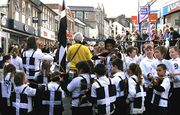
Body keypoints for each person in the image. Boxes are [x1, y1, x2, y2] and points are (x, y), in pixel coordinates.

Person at [168, 46, 180, 115]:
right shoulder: (168, 61)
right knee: (171, 104)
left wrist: (175, 76)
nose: (171, 54)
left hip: (178, 86)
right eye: (169, 52)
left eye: (172, 52)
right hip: (170, 85)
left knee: (177, 104)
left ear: (177, 52)